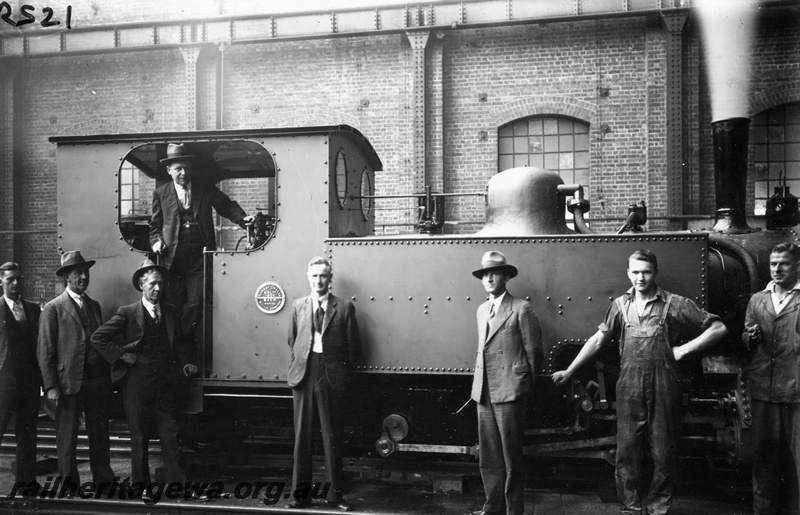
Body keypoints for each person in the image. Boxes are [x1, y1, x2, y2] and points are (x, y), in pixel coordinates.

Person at [552, 249, 727, 515]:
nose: (640, 278)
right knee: (627, 451)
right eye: (635, 272)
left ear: (655, 273)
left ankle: (657, 508)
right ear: (628, 273)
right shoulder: (620, 306)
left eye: (646, 272)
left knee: (664, 451)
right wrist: (570, 370)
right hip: (629, 384)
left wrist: (684, 350)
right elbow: (598, 340)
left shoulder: (674, 304)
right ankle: (630, 508)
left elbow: (718, 328)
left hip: (664, 383)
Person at [89, 259, 206, 502]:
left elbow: (181, 342)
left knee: (170, 434)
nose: (157, 289)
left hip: (164, 384)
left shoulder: (170, 311)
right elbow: (98, 337)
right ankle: (142, 487)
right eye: (152, 284)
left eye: (160, 284)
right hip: (136, 385)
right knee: (139, 437)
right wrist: (121, 355)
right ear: (142, 285)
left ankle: (180, 487)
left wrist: (186, 361)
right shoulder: (127, 312)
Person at [149, 143, 253, 334]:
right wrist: (156, 242)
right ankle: (177, 344)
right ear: (169, 170)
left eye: (187, 168)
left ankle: (184, 339)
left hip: (199, 257)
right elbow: (155, 226)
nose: (183, 173)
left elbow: (226, 206)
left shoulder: (204, 188)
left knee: (196, 303)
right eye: (178, 169)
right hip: (172, 259)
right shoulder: (160, 193)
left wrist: (243, 219)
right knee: (173, 303)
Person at [285, 256, 361, 511]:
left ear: (330, 279)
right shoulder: (298, 306)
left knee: (332, 437)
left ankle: (335, 497)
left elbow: (353, 347)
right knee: (302, 438)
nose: (318, 280)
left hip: (331, 376)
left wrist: (339, 370)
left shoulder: (344, 307)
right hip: (304, 373)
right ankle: (300, 497)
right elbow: (292, 340)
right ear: (308, 277)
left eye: (323, 276)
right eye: (315, 276)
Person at [470, 250, 542, 515]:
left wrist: (523, 386)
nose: (489, 279)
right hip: (484, 391)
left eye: (495, 273)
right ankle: (492, 508)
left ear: (506, 277)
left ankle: (513, 511)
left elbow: (534, 352)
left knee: (512, 458)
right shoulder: (481, 310)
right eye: (485, 275)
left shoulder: (521, 308)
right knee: (489, 456)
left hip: (509, 391)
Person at [38, 251, 115, 487]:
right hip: (68, 383)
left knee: (99, 434)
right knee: (67, 437)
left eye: (85, 272)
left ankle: (104, 482)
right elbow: (45, 351)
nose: (83, 277)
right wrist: (51, 386)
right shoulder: (53, 308)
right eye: (78, 273)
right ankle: (68, 485)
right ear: (67, 278)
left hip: (96, 381)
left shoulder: (94, 305)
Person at [742, 242, 800, 515]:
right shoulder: (758, 299)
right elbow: (745, 336)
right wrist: (750, 337)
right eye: (773, 264)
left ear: (797, 266)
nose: (777, 269)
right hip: (763, 387)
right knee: (763, 458)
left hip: (796, 389)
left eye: (784, 263)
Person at [0, 262, 41, 487]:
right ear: (1, 282)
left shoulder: (33, 309)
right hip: (4, 382)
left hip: (29, 382)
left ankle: (26, 483)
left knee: (28, 434)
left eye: (18, 279)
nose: (15, 283)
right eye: (10, 279)